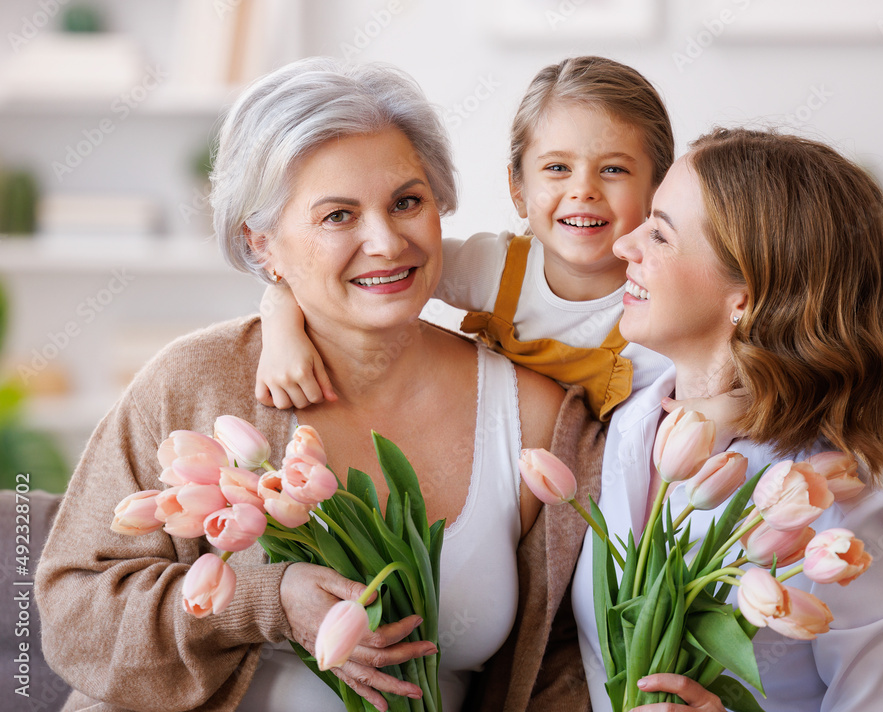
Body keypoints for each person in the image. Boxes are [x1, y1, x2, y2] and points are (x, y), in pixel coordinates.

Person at [35, 58, 604, 712]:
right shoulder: (194, 383)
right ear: (263, 244)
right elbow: (75, 612)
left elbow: (562, 655)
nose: (386, 241)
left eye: (407, 202)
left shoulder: (534, 418)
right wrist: (263, 601)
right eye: (339, 216)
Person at [572, 128, 883, 711]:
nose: (623, 244)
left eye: (659, 233)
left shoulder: (839, 519)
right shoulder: (633, 412)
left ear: (745, 296)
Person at [254, 56, 676, 423]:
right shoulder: (493, 269)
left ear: (659, 191)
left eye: (614, 170)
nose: (584, 190)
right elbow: (355, 276)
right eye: (557, 169)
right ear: (518, 190)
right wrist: (280, 333)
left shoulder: (669, 296)